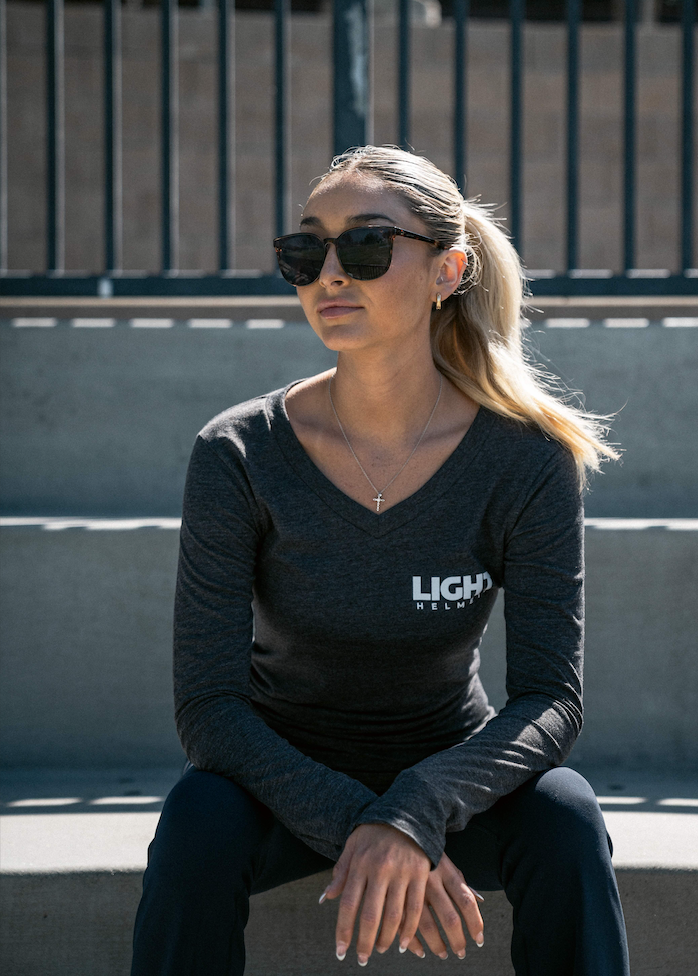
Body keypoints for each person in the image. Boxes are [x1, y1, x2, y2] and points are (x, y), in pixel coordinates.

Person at [130, 145, 630, 975]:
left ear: (448, 271)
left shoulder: (526, 459)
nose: (330, 273)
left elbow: (550, 698)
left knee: (566, 817)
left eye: (365, 246)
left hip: (448, 771)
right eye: (305, 250)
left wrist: (416, 813)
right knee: (196, 822)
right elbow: (211, 709)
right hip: (278, 782)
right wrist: (364, 822)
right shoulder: (238, 453)